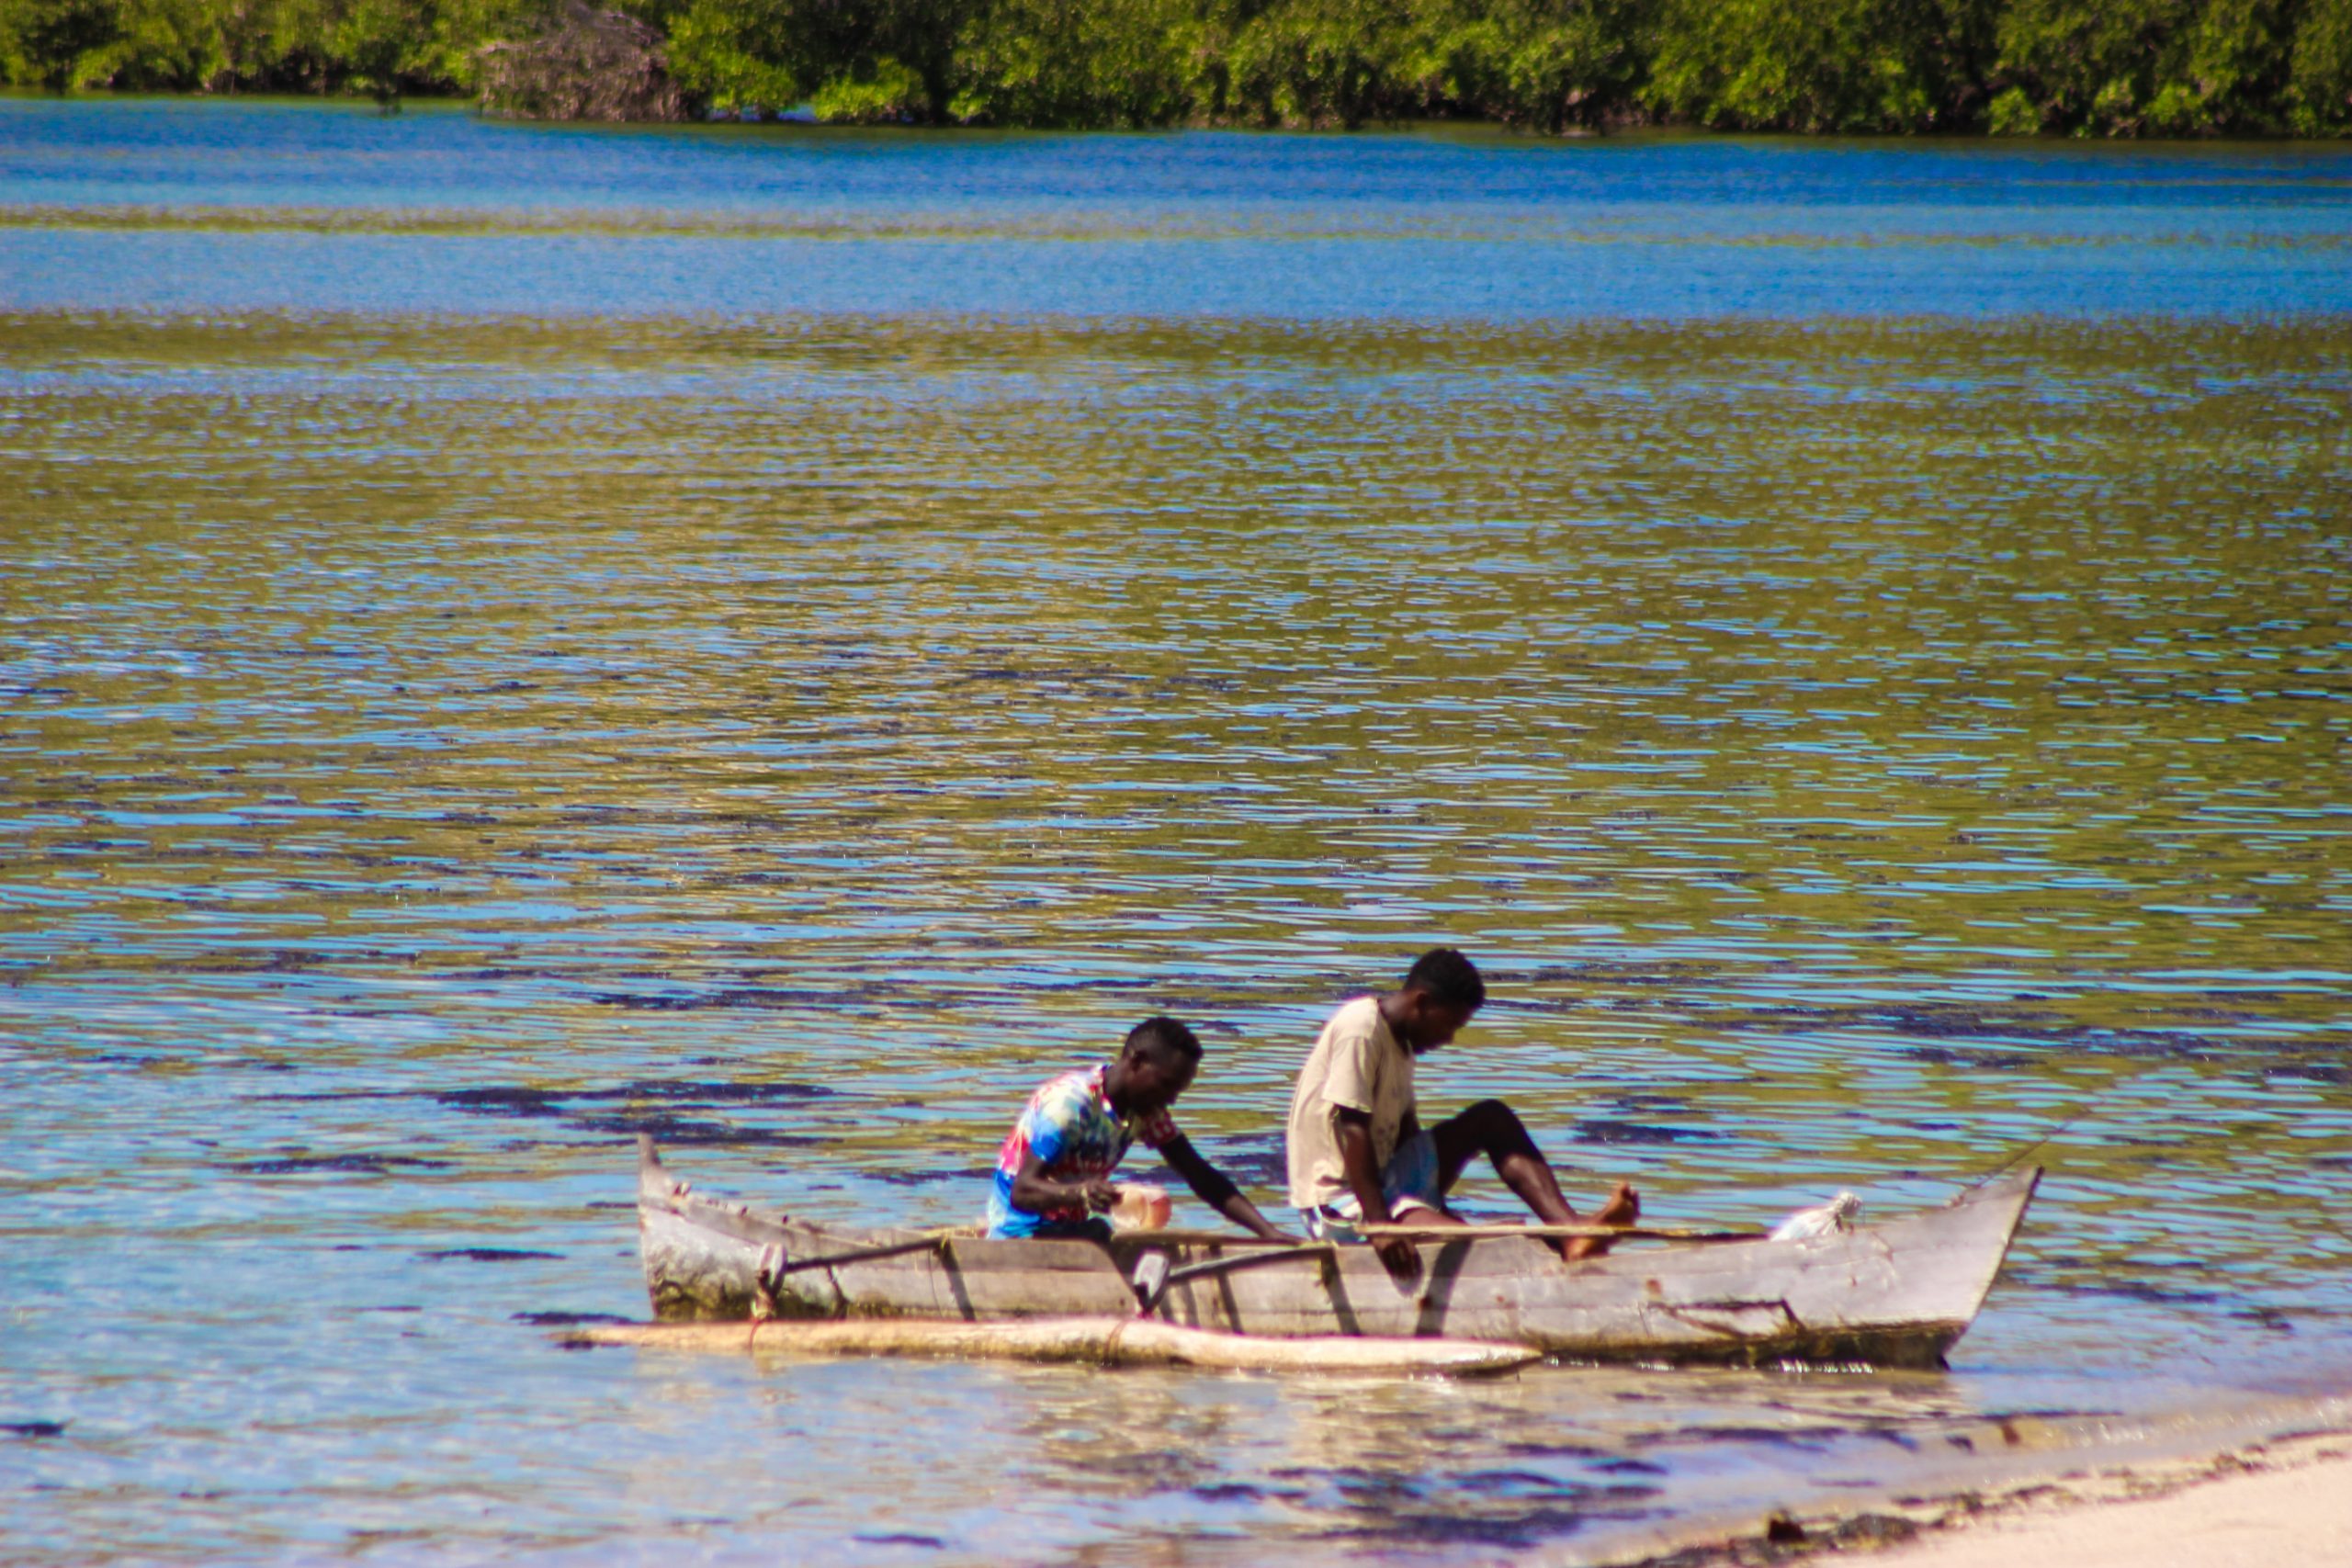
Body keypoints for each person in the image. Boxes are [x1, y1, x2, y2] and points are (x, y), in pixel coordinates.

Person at [1283, 947, 1638, 1276]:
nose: (1449, 1038)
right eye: (1449, 1025)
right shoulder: (1361, 1029)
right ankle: (1531, 1241)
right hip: (1340, 1203)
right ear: (1422, 1003)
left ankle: (1570, 1232)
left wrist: (1436, 1206)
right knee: (1481, 1243)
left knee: (1492, 1118)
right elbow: (1354, 1131)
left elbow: (1406, 1137)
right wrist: (1380, 1226)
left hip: (1385, 1181)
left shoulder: (1403, 1043)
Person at [986, 1015, 1292, 1243]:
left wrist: (1268, 1232)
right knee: (1101, 1234)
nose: (1170, 1099)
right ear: (1137, 1061)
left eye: (1178, 1091)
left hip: (1070, 1231)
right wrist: (1082, 1193)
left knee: (1105, 1233)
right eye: (1166, 1085)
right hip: (1019, 1233)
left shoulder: (1144, 1110)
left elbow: (1199, 1174)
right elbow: (1022, 1192)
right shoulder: (1070, 1104)